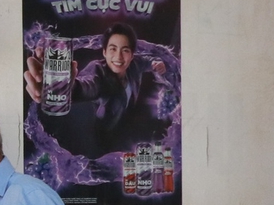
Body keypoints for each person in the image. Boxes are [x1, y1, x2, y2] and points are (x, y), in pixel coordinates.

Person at [22, 23, 169, 152]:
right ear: (104, 52)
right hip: (106, 133)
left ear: (131, 55)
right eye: (112, 49)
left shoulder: (135, 64)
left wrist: (156, 63)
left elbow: (146, 60)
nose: (118, 56)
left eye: (125, 50)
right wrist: (61, 86)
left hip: (129, 125)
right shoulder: (98, 72)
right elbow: (86, 86)